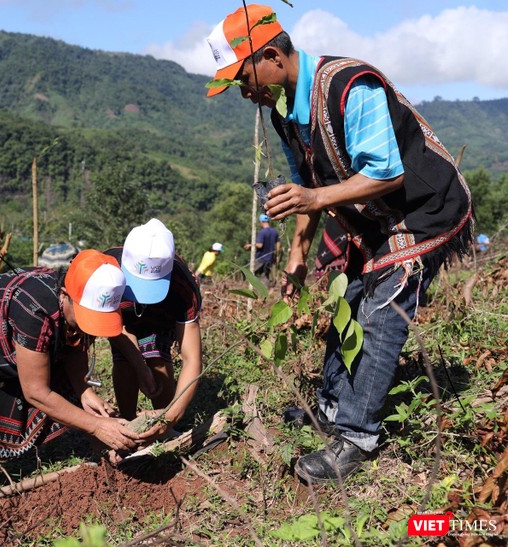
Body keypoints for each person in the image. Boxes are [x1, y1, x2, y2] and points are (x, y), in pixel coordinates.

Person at [206, 4, 474, 483]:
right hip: (372, 218)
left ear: (272, 57)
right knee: (347, 299)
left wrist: (315, 196)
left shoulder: (351, 86)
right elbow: (302, 192)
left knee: (382, 309)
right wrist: (295, 261)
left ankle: (355, 440)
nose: (245, 94)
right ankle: (330, 409)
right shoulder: (286, 114)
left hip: (424, 206)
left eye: (243, 79)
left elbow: (385, 173)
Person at [0, 250, 147, 484]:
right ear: (64, 295)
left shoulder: (74, 303)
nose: (90, 329)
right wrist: (96, 426)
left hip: (17, 330)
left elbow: (74, 342)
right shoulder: (34, 312)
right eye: (87, 317)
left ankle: (107, 456)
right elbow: (36, 392)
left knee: (68, 386)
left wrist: (85, 392)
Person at [104, 219, 203, 455]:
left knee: (157, 355)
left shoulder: (183, 288)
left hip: (163, 313)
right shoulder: (106, 271)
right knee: (123, 358)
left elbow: (192, 359)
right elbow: (112, 328)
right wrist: (138, 364)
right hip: (121, 316)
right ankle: (128, 425)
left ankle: (163, 429)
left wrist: (169, 418)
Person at [244, 213, 280, 283]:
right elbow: (278, 246)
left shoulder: (262, 232)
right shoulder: (275, 232)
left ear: (261, 222)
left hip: (260, 258)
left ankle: (246, 288)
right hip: (269, 259)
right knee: (264, 276)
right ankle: (266, 292)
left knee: (249, 274)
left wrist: (249, 245)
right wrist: (277, 256)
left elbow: (260, 245)